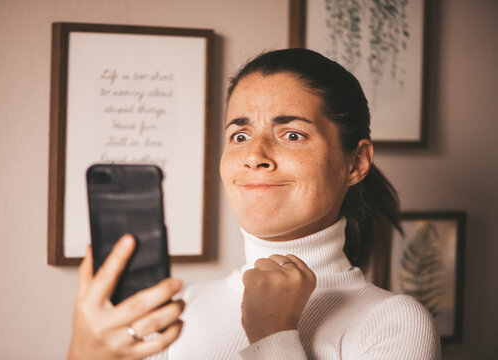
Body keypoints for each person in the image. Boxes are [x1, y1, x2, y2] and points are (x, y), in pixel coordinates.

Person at [67, 48, 440, 359]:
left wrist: (273, 336)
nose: (254, 156)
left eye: (292, 135)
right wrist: (84, 351)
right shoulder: (179, 310)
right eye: (240, 135)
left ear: (355, 163)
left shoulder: (393, 322)